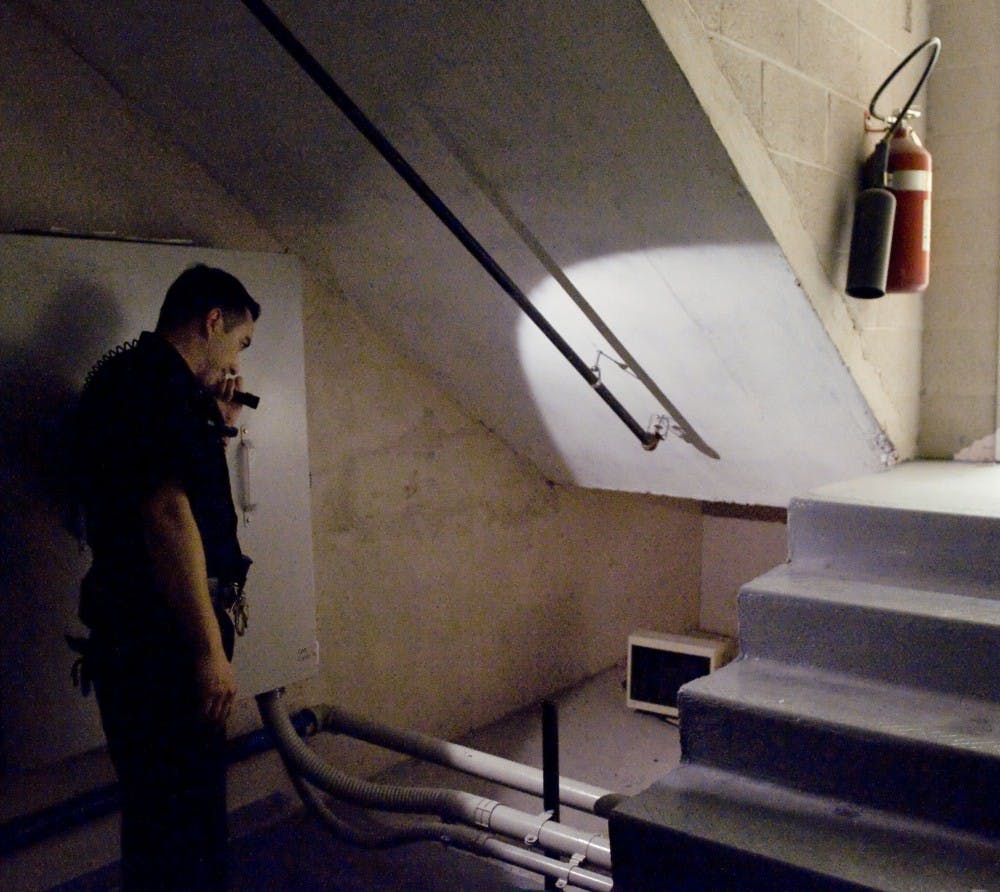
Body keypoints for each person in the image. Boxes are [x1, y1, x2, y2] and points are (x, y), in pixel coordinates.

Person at [73, 264, 260, 891]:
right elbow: (166, 516)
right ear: (211, 321)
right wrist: (209, 652)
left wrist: (220, 425)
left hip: (133, 629)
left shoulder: (131, 379)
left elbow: (177, 483)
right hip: (167, 638)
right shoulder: (157, 388)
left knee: (160, 811)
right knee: (185, 815)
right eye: (238, 341)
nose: (235, 359)